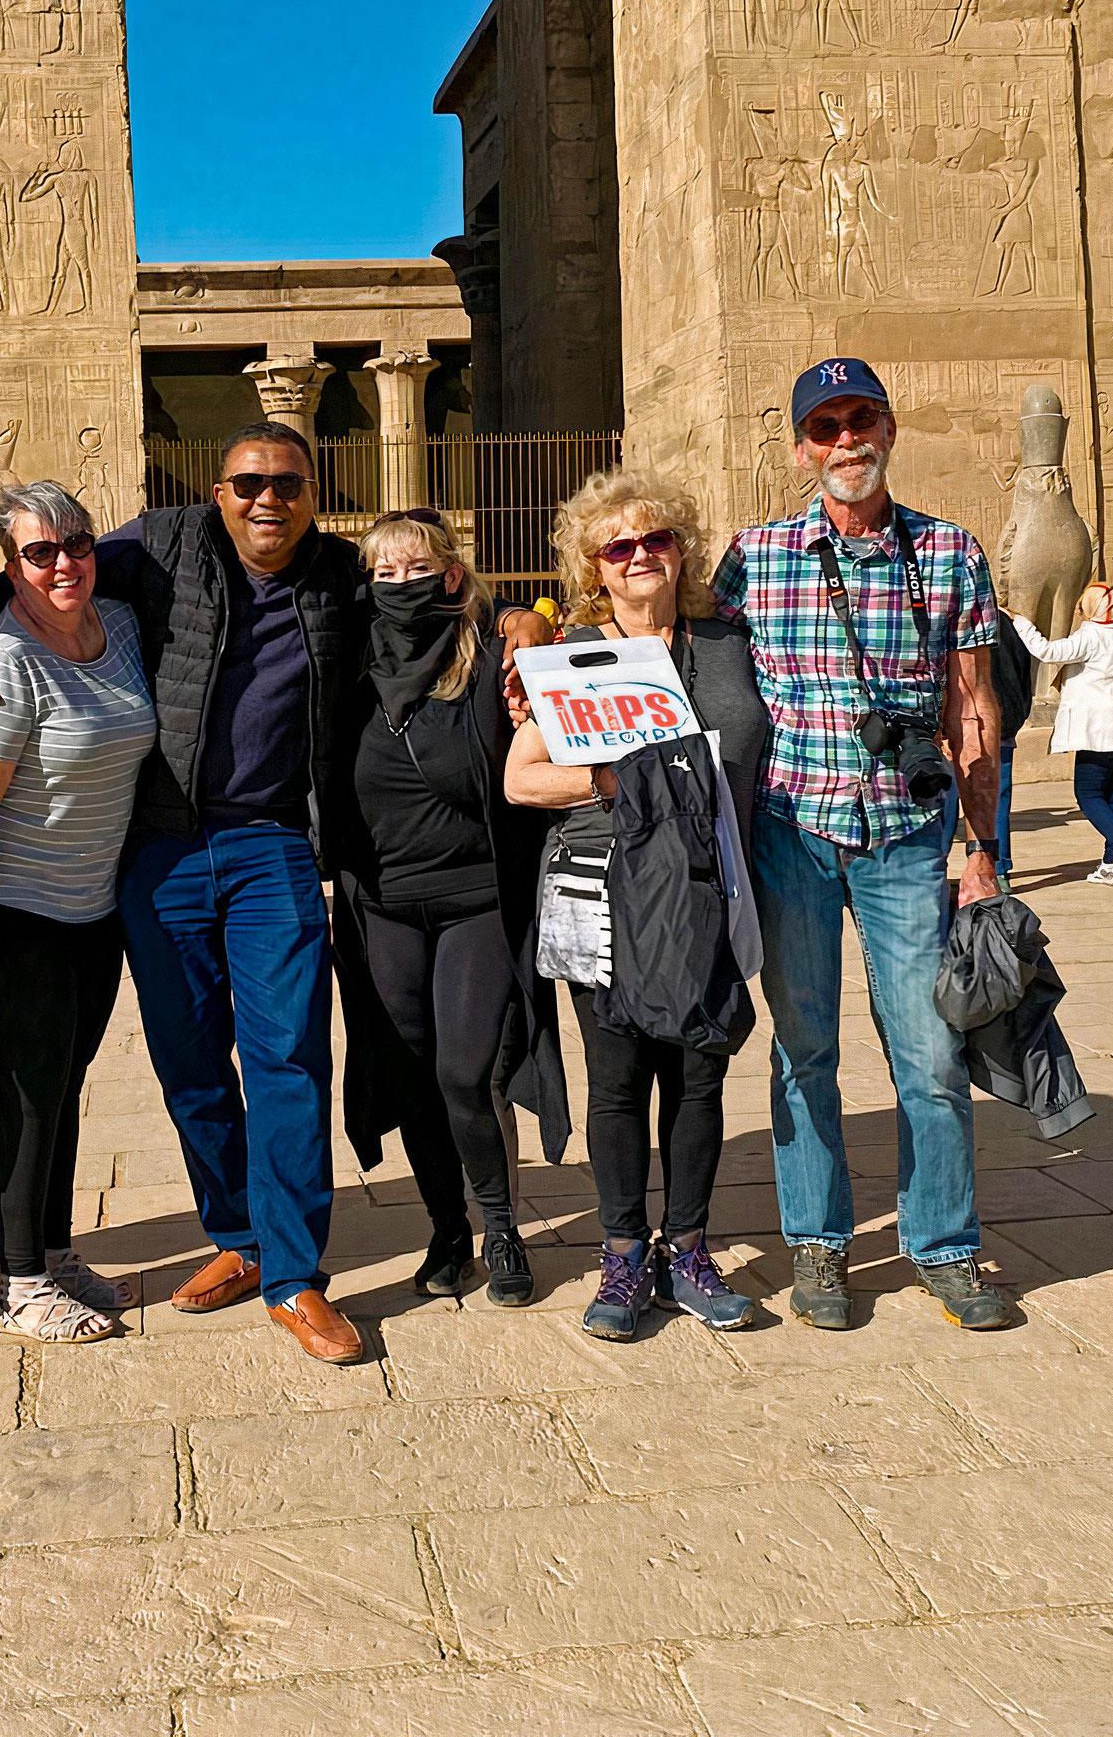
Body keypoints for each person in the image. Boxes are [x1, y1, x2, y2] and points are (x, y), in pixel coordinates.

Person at [0, 423, 548, 1367]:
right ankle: (238, 1233)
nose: (269, 499)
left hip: (272, 846)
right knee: (190, 1066)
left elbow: (436, 597)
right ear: (220, 491)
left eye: (289, 483)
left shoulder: (342, 573)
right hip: (162, 850)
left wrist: (521, 620)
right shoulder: (165, 545)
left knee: (288, 1059)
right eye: (249, 482)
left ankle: (296, 1275)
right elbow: (42, 563)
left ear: (312, 491)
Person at [711, 358, 1015, 1333]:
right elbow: (671, 649)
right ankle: (818, 1242)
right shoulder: (752, 556)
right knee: (804, 1047)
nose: (846, 441)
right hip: (790, 829)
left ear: (889, 428)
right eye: (826, 427)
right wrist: (528, 627)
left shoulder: (948, 550)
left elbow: (972, 708)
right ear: (800, 446)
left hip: (903, 835)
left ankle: (945, 1245)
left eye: (862, 420)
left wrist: (981, 844)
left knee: (927, 1052)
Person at [507, 470, 768, 1341]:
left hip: (706, 887)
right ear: (595, 570)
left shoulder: (730, 645)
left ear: (681, 550)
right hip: (602, 889)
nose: (640, 557)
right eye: (618, 548)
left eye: (655, 540)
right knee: (617, 1083)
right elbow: (520, 777)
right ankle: (623, 1253)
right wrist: (614, 778)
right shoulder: (575, 656)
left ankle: (687, 1246)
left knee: (699, 1074)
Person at [331, 508, 563, 1311]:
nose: (400, 586)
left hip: (474, 899)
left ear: (452, 575)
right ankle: (446, 1229)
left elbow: (550, 635)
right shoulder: (345, 655)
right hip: (381, 904)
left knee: (463, 1073)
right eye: (384, 574)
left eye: (417, 570)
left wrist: (529, 617)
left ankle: (500, 1224)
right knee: (412, 1075)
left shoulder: (496, 656)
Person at [0, 480, 155, 1343]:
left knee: (64, 1092)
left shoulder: (124, 628)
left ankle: (56, 1254)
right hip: (16, 918)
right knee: (27, 1099)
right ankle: (21, 1284)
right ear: (9, 566)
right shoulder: (1, 660)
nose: (63, 563)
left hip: (92, 916)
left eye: (76, 544)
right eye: (39, 552)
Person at [1011, 582, 1113, 883]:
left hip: (1102, 731)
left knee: (1089, 793)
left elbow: (1046, 651)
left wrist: (1021, 621)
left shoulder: (1091, 636)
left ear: (1095, 608)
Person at [988, 607, 1035, 889]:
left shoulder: (945, 611)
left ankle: (935, 868)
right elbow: (1023, 670)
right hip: (1002, 722)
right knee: (997, 798)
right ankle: (1000, 869)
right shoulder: (1006, 622)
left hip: (954, 727)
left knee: (942, 801)